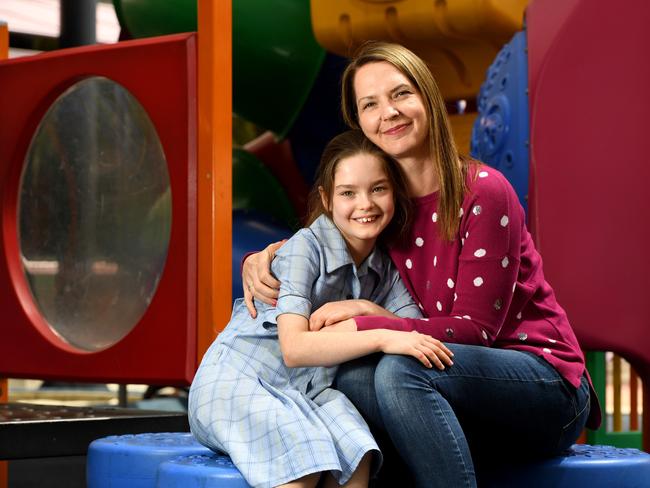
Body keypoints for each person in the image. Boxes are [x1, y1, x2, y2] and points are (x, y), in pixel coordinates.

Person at [242, 42, 601, 487]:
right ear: (361, 124)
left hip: (542, 384)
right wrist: (266, 257)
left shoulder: (483, 192)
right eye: (369, 104)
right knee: (352, 380)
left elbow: (476, 331)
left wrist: (371, 319)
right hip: (446, 389)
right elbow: (322, 239)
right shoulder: (384, 206)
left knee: (399, 368)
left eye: (400, 94)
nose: (387, 112)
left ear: (427, 97)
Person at [189, 129, 454, 488]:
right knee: (307, 459)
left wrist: (365, 308)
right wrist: (382, 337)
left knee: (357, 451)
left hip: (307, 393)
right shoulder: (305, 248)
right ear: (327, 200)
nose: (366, 204)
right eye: (348, 193)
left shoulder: (386, 269)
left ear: (395, 194)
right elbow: (295, 349)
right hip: (241, 380)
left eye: (378, 189)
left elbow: (414, 330)